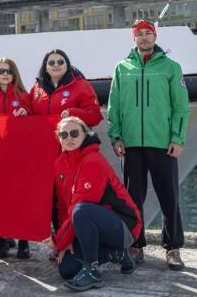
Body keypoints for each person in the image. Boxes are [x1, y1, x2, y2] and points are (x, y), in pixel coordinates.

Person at [107, 19, 190, 271]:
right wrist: (116, 136)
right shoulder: (122, 68)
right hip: (131, 144)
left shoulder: (171, 67)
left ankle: (173, 247)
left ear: (155, 36)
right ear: (134, 39)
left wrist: (177, 138)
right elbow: (114, 106)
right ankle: (136, 244)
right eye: (139, 34)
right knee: (133, 198)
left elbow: (180, 107)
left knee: (169, 196)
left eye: (148, 34)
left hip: (162, 143)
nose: (144, 38)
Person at [43, 117, 142, 292]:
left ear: (85, 134)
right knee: (67, 270)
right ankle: (116, 254)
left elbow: (80, 207)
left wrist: (57, 240)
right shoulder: (59, 164)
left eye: (74, 133)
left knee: (82, 209)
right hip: (91, 224)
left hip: (123, 225)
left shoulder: (93, 161)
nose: (69, 138)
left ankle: (93, 270)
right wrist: (65, 242)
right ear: (58, 138)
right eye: (63, 134)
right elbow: (63, 206)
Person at [0, 57, 32, 259]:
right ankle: (2, 237)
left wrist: (26, 112)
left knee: (20, 198)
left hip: (19, 156)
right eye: (0, 71)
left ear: (14, 74)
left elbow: (34, 119)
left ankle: (23, 239)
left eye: (8, 71)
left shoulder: (24, 96)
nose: (4, 74)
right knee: (0, 199)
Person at [29, 49, 103, 127]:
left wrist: (73, 113)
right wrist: (24, 109)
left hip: (70, 137)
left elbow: (95, 116)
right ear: (46, 68)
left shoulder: (82, 85)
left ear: (67, 65)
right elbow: (28, 109)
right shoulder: (36, 88)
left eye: (60, 62)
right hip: (43, 137)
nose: (56, 65)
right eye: (51, 63)